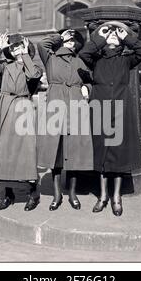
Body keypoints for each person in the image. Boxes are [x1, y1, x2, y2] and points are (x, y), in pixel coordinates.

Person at [79, 21, 141, 217]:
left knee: (118, 155)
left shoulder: (126, 59)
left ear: (121, 41)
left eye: (115, 35)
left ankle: (116, 198)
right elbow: (83, 54)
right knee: (101, 154)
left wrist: (127, 36)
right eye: (108, 35)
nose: (112, 36)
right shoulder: (96, 59)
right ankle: (102, 197)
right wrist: (99, 38)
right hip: (100, 109)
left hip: (120, 109)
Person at [0, 32, 43, 211]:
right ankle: (8, 194)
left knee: (25, 153)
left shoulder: (33, 66)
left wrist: (24, 54)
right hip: (4, 107)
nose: (16, 50)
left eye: (19, 47)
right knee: (3, 151)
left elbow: (33, 74)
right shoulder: (7, 66)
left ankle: (33, 193)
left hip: (22, 109)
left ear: (26, 48)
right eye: (13, 48)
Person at [37, 29, 94, 211]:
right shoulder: (51, 58)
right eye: (67, 40)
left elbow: (91, 80)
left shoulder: (80, 61)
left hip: (76, 108)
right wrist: (60, 37)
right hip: (56, 107)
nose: (71, 42)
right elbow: (41, 44)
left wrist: (87, 88)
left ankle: (72, 193)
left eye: (73, 40)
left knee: (74, 154)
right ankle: (56, 194)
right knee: (56, 154)